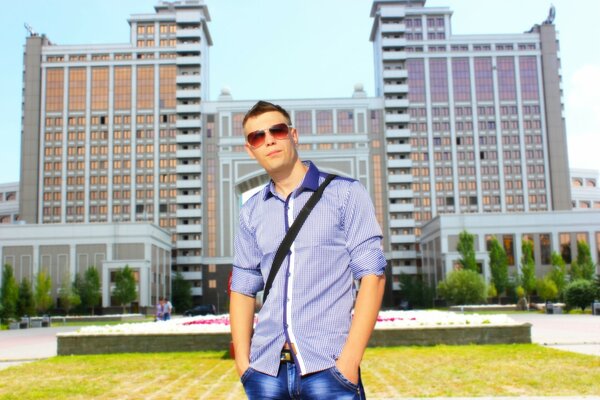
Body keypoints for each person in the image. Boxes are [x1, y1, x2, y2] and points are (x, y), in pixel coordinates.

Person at [230, 101, 387, 399]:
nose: (269, 140)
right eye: (257, 136)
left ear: (293, 135)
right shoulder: (251, 211)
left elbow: (373, 276)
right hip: (266, 371)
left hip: (328, 368)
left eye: (277, 130)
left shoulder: (345, 193)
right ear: (250, 150)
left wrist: (350, 361)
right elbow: (242, 287)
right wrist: (243, 364)